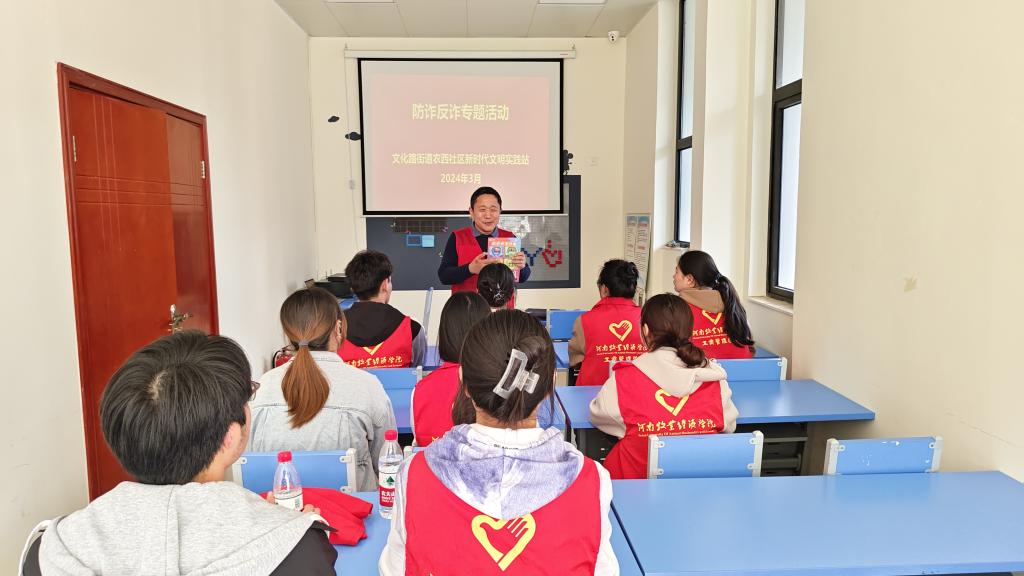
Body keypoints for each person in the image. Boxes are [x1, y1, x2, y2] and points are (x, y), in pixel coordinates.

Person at [23, 331, 336, 575]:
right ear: (229, 437)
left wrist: (271, 523)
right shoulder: (299, 552)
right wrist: (283, 530)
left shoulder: (49, 553)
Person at [379, 310, 618, 575]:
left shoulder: (413, 476)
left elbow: (395, 568)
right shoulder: (592, 480)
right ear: (550, 384)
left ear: (463, 382)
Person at [249, 287, 395, 491]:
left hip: (280, 508)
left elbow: (250, 461)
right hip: (354, 509)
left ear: (288, 334)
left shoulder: (263, 387)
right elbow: (387, 462)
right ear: (338, 328)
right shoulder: (367, 385)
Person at [589, 294, 739, 480]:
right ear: (690, 331)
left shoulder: (623, 378)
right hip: (700, 487)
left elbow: (600, 414)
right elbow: (729, 426)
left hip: (633, 488)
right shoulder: (714, 379)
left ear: (645, 330)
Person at [410, 291, 491, 446]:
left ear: (445, 333)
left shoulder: (420, 390)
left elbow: (418, 443)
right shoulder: (499, 384)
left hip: (432, 461)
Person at [339, 250, 426, 369]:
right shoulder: (413, 328)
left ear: (352, 288)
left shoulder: (334, 329)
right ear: (385, 284)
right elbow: (416, 370)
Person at [437, 186, 530, 293]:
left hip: (502, 303)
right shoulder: (457, 237)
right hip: (467, 303)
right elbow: (444, 276)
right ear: (471, 212)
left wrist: (522, 266)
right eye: (482, 210)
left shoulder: (509, 238)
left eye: (493, 209)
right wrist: (470, 269)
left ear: (500, 211)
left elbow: (522, 277)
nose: (488, 215)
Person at [569, 259, 645, 385]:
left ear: (604, 289)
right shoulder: (648, 318)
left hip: (592, 393)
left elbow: (575, 361)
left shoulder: (584, 321)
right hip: (637, 391)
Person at [673, 250, 756, 359]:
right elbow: (751, 347)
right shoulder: (732, 302)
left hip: (702, 368)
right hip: (744, 368)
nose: (674, 276)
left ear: (689, 280)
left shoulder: (678, 308)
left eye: (676, 272)